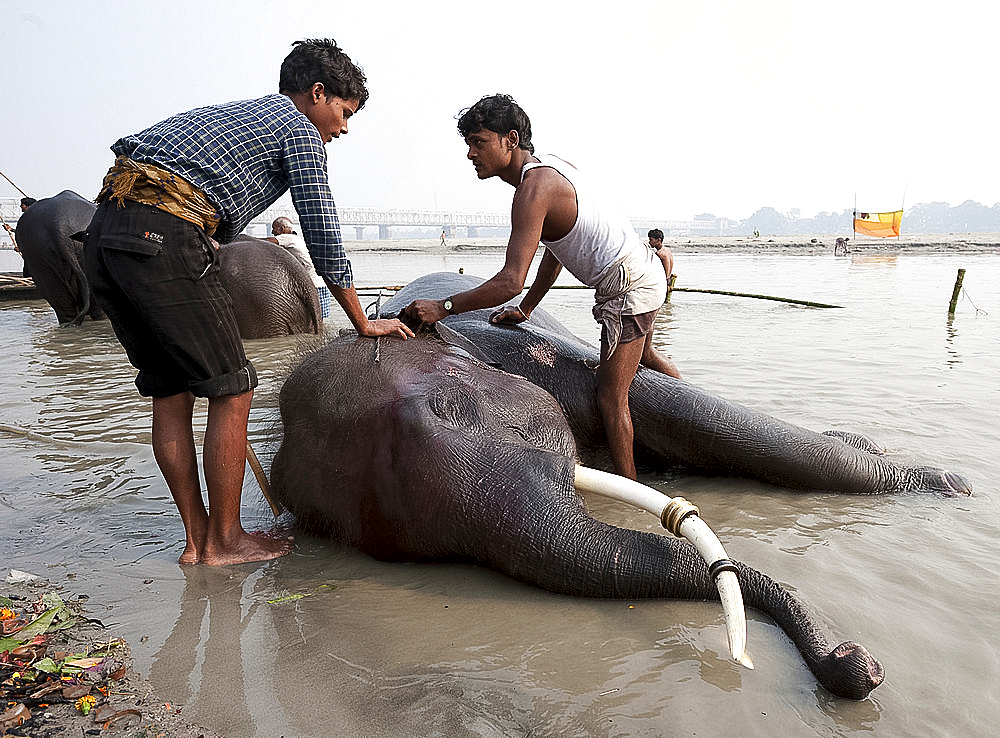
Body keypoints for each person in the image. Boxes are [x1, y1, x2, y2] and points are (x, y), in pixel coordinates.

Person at [83, 38, 413, 567]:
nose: (343, 128)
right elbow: (322, 229)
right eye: (344, 112)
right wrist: (363, 322)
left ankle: (197, 541)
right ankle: (227, 540)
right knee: (234, 387)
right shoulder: (298, 128)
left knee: (170, 392)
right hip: (163, 234)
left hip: (104, 237)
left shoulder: (230, 116)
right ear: (318, 93)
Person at [404, 94, 680, 480]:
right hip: (644, 275)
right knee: (647, 359)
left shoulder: (533, 191)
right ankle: (699, 408)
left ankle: (633, 492)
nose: (470, 154)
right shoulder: (553, 169)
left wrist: (443, 308)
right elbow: (557, 251)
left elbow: (509, 280)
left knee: (609, 397)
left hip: (628, 291)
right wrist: (527, 309)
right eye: (468, 144)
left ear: (511, 140)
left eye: (479, 142)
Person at [267, 216, 332, 318]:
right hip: (320, 284)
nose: (272, 231)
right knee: (318, 320)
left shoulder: (288, 237)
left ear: (282, 229)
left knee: (310, 319)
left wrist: (245, 239)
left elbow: (268, 241)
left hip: (312, 286)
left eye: (274, 228)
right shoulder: (296, 238)